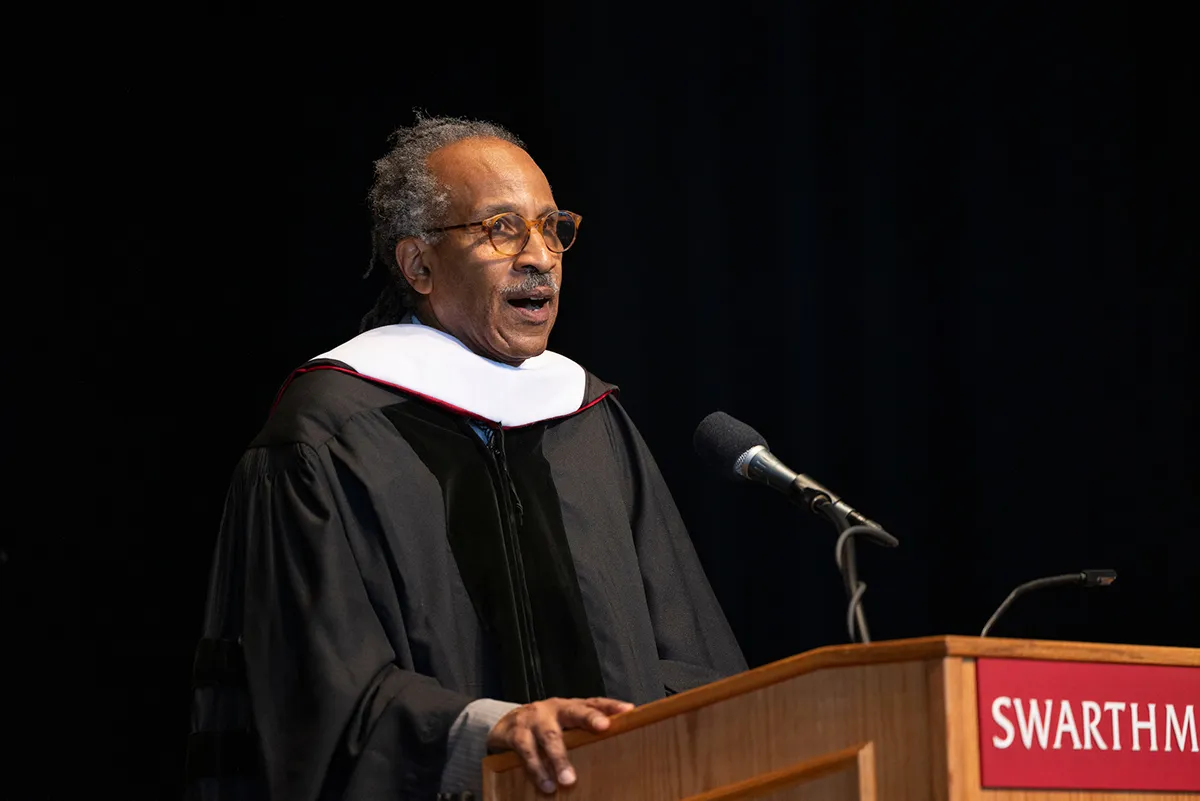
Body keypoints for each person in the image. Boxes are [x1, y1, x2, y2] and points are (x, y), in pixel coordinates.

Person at [187, 114, 746, 801]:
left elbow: (690, 658)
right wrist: (488, 731)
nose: (540, 255)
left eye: (552, 227)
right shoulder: (323, 440)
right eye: (502, 229)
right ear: (418, 264)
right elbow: (312, 690)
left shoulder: (587, 421)